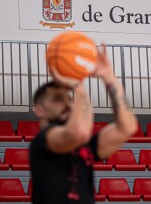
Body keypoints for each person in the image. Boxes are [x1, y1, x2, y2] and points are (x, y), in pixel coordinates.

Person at [30, 44, 138, 204]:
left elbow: (127, 127)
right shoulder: (42, 141)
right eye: (58, 99)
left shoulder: (85, 144)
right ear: (39, 110)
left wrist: (109, 78)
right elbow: (78, 133)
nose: (68, 104)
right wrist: (77, 84)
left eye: (69, 98)